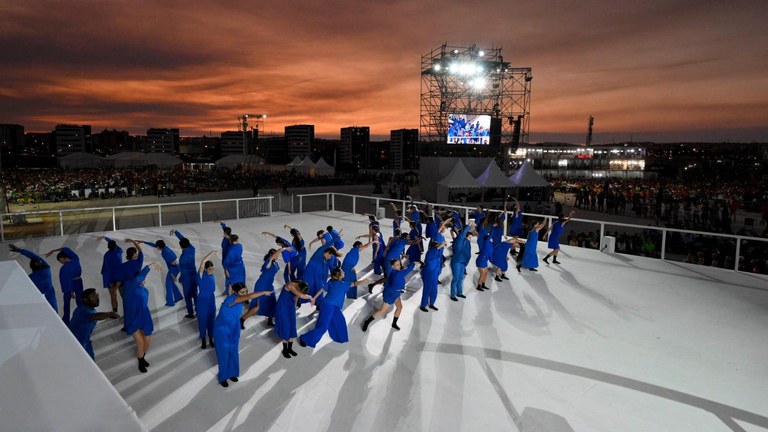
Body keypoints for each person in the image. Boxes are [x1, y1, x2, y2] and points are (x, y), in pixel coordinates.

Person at [213, 282, 270, 387]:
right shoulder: (232, 299)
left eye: (245, 291)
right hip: (222, 330)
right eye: (242, 292)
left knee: (233, 351)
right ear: (235, 292)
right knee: (224, 353)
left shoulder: (238, 299)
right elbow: (249, 296)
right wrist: (263, 292)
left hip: (234, 327)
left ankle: (232, 373)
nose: (244, 294)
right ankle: (223, 377)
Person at [298, 268, 371, 348]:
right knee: (323, 327)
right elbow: (355, 283)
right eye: (342, 272)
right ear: (339, 276)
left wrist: (314, 298)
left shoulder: (331, 281)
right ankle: (304, 338)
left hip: (333, 306)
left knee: (340, 320)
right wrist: (365, 280)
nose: (344, 272)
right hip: (328, 306)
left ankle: (340, 338)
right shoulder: (343, 285)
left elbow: (322, 289)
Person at [123, 262, 162, 373]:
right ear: (138, 279)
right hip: (133, 318)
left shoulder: (142, 288)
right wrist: (151, 266)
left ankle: (142, 357)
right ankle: (140, 362)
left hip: (144, 315)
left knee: (148, 340)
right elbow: (140, 276)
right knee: (140, 343)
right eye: (143, 278)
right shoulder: (130, 287)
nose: (145, 279)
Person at [361, 258, 416, 332]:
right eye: (397, 265)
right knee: (382, 310)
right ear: (392, 266)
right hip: (390, 294)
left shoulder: (395, 272)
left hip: (395, 293)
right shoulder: (397, 273)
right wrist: (414, 263)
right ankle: (367, 322)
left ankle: (394, 323)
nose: (399, 266)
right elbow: (408, 270)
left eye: (399, 264)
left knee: (399, 307)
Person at [241, 247, 287, 328]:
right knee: (257, 306)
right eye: (277, 254)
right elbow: (272, 257)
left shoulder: (275, 263)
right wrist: (282, 249)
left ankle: (270, 320)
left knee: (272, 303)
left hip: (269, 285)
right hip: (262, 285)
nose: (278, 256)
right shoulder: (268, 262)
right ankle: (242, 319)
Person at [68, 288, 120, 360]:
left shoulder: (91, 309)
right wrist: (110, 314)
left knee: (91, 362)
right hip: (74, 343)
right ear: (85, 300)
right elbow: (94, 317)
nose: (97, 298)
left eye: (97, 296)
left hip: (85, 342)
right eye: (93, 296)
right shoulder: (81, 311)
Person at [9, 244, 58, 311]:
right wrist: (20, 250)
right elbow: (34, 256)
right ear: (41, 264)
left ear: (31, 268)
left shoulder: (30, 279)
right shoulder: (47, 269)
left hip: (39, 299)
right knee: (54, 312)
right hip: (50, 296)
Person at [274, 280, 313, 359]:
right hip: (283, 307)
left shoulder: (299, 286)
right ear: (298, 287)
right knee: (285, 327)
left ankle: (290, 348)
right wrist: (310, 297)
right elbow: (301, 295)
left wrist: (294, 307)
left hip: (290, 306)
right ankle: (285, 349)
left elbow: (297, 297)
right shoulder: (290, 285)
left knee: (292, 326)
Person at [137, 239, 183, 307]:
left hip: (174, 268)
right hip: (173, 267)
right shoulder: (165, 248)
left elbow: (175, 262)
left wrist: (172, 274)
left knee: (168, 284)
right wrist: (144, 241)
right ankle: (178, 297)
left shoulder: (166, 252)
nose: (156, 247)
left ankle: (170, 303)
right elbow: (154, 245)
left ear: (159, 247)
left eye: (157, 246)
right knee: (171, 283)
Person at [45, 246, 84, 325]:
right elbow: (66, 248)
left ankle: (66, 320)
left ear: (63, 258)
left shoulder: (65, 268)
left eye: (60, 261)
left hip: (70, 287)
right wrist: (53, 250)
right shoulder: (75, 258)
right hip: (79, 282)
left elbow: (66, 281)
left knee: (66, 303)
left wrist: (71, 291)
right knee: (80, 301)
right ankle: (82, 317)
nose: (61, 263)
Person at [171, 230, 197, 318]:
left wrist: (180, 279)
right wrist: (176, 232)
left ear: (181, 246)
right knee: (195, 293)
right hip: (194, 275)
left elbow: (183, 271)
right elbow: (184, 240)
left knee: (188, 296)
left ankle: (190, 313)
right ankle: (198, 309)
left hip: (187, 279)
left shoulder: (182, 258)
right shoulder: (192, 249)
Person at [196, 251, 218, 349]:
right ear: (205, 269)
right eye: (209, 269)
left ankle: (211, 337)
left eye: (213, 269)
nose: (211, 271)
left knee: (211, 320)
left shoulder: (212, 275)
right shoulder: (201, 275)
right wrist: (212, 253)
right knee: (202, 320)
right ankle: (203, 339)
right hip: (202, 301)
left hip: (211, 300)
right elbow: (202, 262)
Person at [97, 236, 123, 312]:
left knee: (113, 296)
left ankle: (115, 313)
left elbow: (106, 269)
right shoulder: (119, 251)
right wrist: (105, 238)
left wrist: (108, 281)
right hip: (120, 277)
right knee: (123, 295)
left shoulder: (106, 255)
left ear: (108, 247)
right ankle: (128, 311)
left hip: (109, 278)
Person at [419, 240, 446, 312]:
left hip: (434, 274)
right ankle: (423, 305)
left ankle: (431, 304)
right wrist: (443, 243)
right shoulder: (431, 251)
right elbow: (438, 246)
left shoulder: (437, 253)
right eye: (437, 245)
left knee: (434, 289)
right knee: (427, 289)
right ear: (435, 246)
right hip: (428, 273)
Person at [449, 223, 473, 301]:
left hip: (463, 263)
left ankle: (459, 293)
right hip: (457, 262)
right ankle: (452, 295)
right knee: (456, 278)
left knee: (460, 278)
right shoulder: (460, 240)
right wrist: (468, 226)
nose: (470, 239)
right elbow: (462, 235)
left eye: (471, 237)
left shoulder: (468, 243)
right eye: (469, 237)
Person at [217, 221, 233, 294]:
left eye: (224, 232)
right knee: (227, 275)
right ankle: (228, 289)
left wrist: (228, 238)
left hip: (227, 259)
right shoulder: (227, 235)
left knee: (228, 275)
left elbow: (232, 243)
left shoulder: (230, 240)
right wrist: (222, 223)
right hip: (225, 257)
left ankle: (229, 290)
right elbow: (224, 228)